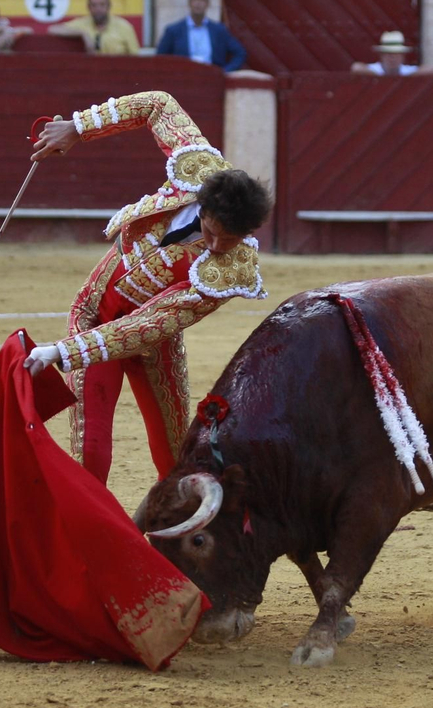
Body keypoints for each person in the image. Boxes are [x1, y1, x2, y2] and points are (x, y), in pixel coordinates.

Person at [21, 92, 272, 483]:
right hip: (94, 315)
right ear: (202, 208)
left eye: (231, 241)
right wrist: (78, 128)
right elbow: (158, 103)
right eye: (211, 233)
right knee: (91, 452)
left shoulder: (230, 271)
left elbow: (152, 324)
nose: (216, 248)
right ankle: (88, 540)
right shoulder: (197, 166)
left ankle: (175, 539)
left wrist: (61, 351)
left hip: (154, 340)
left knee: (176, 457)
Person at [155, 0, 247, 72]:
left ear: (207, 3)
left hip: (211, 80)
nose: (198, 3)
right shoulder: (173, 31)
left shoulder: (219, 30)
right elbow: (160, 59)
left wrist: (224, 72)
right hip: (183, 80)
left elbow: (240, 53)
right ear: (189, 2)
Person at [49, 0, 140, 54]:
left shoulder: (124, 27)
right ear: (88, 7)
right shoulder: (82, 24)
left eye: (102, 5)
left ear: (109, 6)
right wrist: (83, 33)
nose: (98, 9)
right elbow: (52, 29)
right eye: (94, 5)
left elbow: (136, 58)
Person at [351, 30, 420, 75]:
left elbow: (430, 70)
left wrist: (410, 76)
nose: (393, 58)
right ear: (382, 55)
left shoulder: (406, 71)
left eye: (396, 54)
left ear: (402, 56)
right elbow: (356, 67)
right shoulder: (376, 69)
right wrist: (379, 76)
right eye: (389, 54)